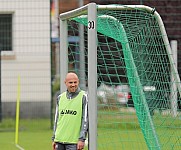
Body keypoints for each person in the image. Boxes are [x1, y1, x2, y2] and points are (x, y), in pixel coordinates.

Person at [52, 72, 88, 150]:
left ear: (78, 81)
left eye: (75, 82)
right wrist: (54, 138)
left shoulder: (84, 96)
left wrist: (82, 139)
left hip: (73, 142)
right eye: (70, 82)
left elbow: (85, 119)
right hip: (59, 140)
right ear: (65, 83)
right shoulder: (60, 98)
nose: (73, 85)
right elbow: (57, 119)